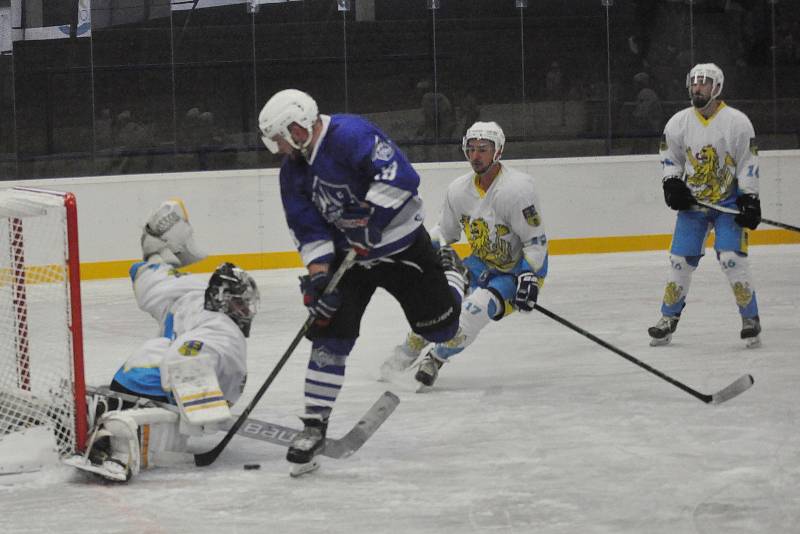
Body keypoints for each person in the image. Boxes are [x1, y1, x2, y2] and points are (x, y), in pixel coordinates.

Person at [257, 89, 466, 476]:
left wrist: (371, 221)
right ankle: (314, 425)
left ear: (299, 127)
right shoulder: (292, 171)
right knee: (328, 331)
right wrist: (320, 279)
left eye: (282, 138)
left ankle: (452, 271)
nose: (280, 148)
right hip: (349, 260)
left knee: (442, 330)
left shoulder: (351, 134)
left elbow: (401, 176)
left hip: (403, 248)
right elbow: (308, 228)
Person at [67, 199, 260, 481]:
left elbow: (151, 285)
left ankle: (98, 414)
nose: (246, 311)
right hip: (154, 383)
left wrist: (156, 249)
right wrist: (199, 405)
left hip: (138, 380)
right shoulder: (221, 326)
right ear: (223, 302)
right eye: (241, 304)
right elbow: (186, 355)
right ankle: (117, 435)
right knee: (160, 361)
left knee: (158, 351)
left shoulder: (188, 295)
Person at [381, 121, 549, 388]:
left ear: (499, 151)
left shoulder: (517, 190)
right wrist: (419, 246)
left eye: (483, 149)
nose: (475, 155)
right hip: (480, 263)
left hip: (515, 271)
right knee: (439, 302)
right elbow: (445, 232)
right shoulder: (458, 190)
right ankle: (410, 348)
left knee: (475, 309)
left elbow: (535, 241)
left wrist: (528, 277)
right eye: (470, 149)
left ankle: (435, 359)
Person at [649, 63, 762, 348]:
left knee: (731, 259)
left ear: (717, 87)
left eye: (704, 83)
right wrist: (672, 183)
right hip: (694, 204)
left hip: (728, 204)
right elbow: (671, 159)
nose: (697, 88)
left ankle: (750, 319)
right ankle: (667, 318)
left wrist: (749, 198)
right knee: (679, 262)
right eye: (694, 83)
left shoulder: (737, 122)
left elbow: (748, 162)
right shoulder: (678, 123)